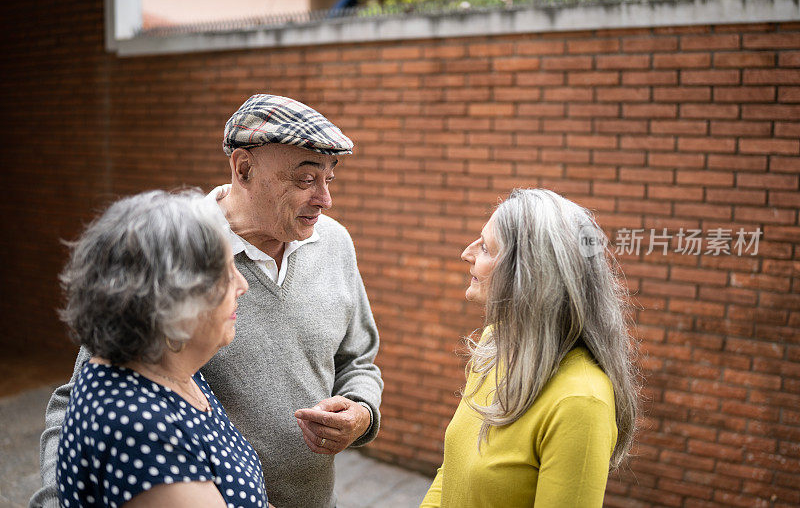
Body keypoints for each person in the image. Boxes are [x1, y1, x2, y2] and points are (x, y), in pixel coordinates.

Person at [32, 94, 383, 508]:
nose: (325, 200)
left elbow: (358, 358)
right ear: (244, 168)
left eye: (330, 179)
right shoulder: (174, 253)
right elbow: (83, 401)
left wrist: (361, 412)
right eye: (306, 180)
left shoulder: (335, 243)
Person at [421, 188, 639, 507]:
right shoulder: (496, 343)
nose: (467, 253)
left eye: (485, 247)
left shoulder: (580, 402)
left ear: (529, 273)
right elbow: (451, 471)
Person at [53, 190, 269, 507]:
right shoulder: (139, 428)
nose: (242, 285)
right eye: (224, 273)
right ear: (172, 299)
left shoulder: (174, 372)